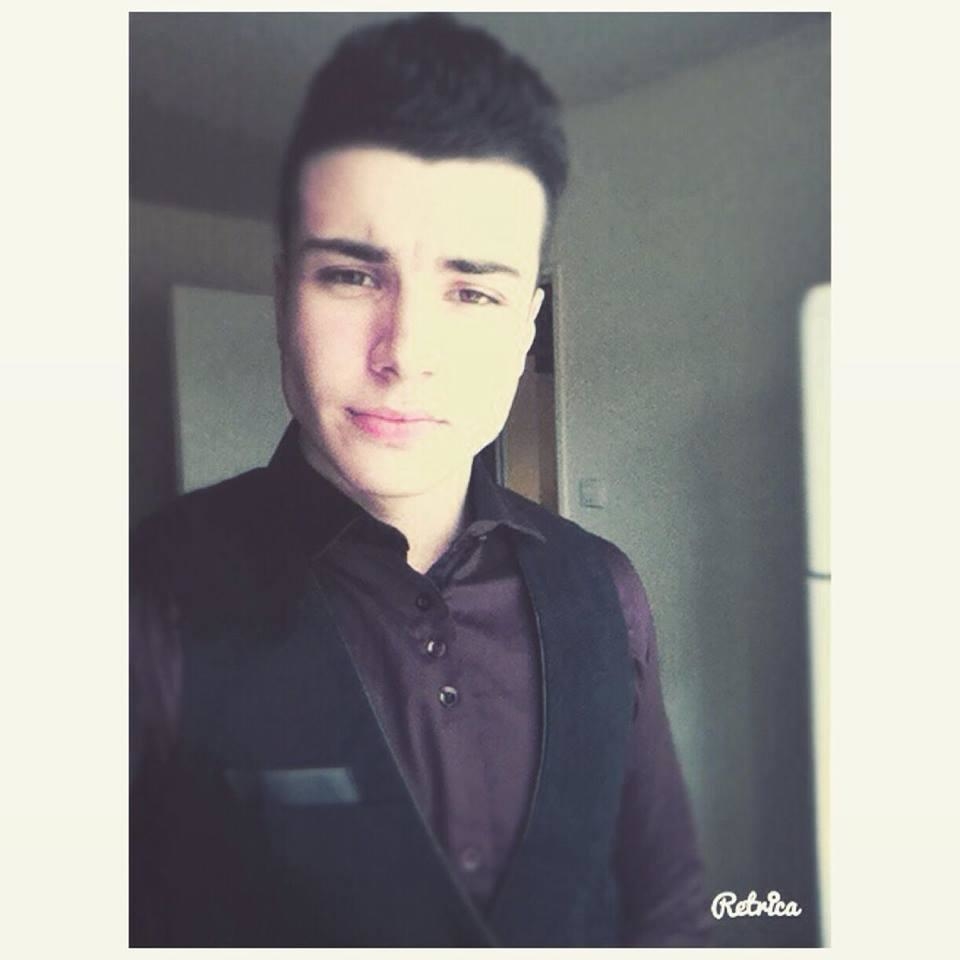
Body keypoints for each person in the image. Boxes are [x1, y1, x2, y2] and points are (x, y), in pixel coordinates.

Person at [130, 13, 711, 947]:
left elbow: (669, 908)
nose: (405, 352)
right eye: (352, 277)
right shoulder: (145, 599)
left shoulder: (608, 589)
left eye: (471, 291)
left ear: (525, 328)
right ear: (283, 295)